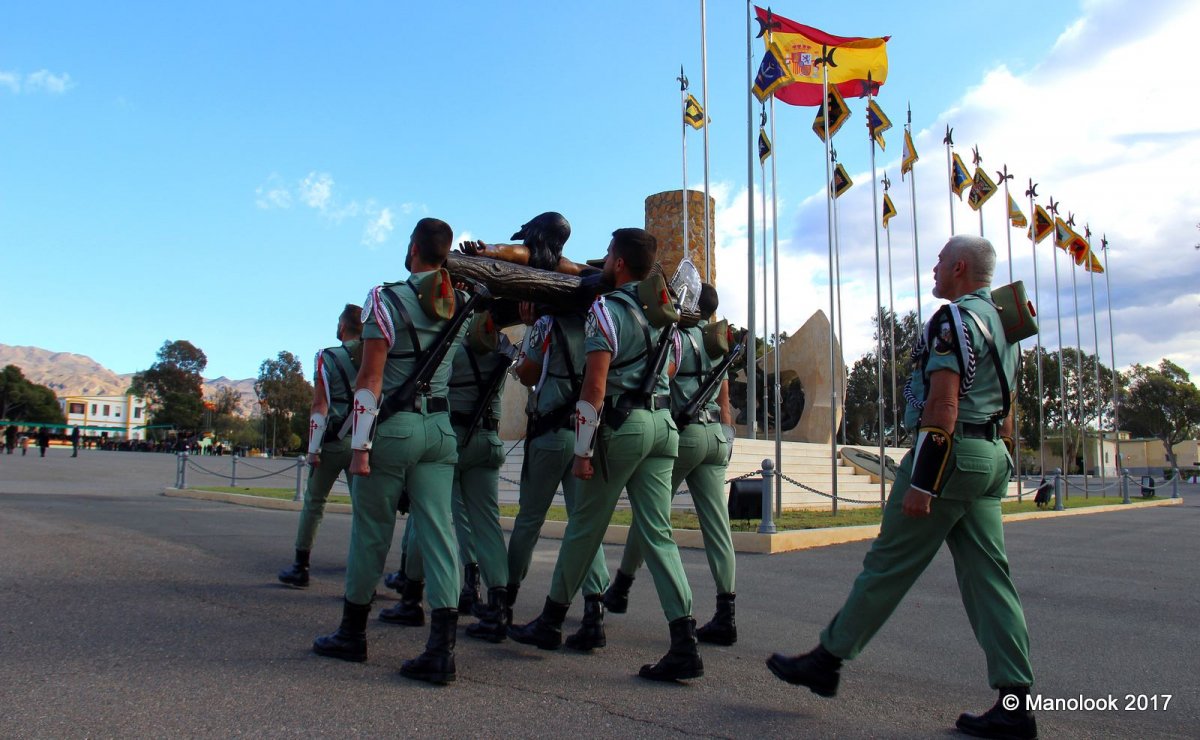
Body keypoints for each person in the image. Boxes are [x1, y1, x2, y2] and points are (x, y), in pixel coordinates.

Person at [767, 235, 1037, 739]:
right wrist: (995, 457)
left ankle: (827, 660)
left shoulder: (953, 321)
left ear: (960, 268)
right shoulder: (1005, 324)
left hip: (948, 459)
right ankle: (1015, 702)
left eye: (940, 261)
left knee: (888, 565)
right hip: (988, 459)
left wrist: (924, 483)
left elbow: (943, 403)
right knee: (990, 579)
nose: (934, 268)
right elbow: (1006, 404)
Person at [510, 227, 703, 682]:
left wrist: (583, 451)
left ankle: (551, 620)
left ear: (617, 262)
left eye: (610, 252)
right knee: (658, 532)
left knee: (584, 525)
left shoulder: (606, 310)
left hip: (622, 425)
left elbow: (594, 388)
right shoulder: (666, 315)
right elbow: (669, 367)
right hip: (662, 426)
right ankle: (684, 640)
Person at [312, 217, 468, 686]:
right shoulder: (460, 302)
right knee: (439, 532)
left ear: (414, 248)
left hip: (394, 430)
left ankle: (352, 634)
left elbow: (370, 379)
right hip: (439, 428)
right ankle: (441, 650)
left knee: (371, 531)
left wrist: (360, 447)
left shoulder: (384, 299)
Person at [603, 282, 738, 645]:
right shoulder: (716, 342)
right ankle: (726, 612)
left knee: (652, 515)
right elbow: (724, 399)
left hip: (685, 434)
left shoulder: (677, 336)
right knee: (718, 527)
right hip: (715, 436)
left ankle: (622, 586)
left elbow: (663, 377)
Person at [387, 312, 516, 640]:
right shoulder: (501, 349)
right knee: (487, 525)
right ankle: (499, 608)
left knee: (427, 516)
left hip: (453, 437)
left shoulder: (453, 350)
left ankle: (411, 597)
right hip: (487, 439)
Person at [503, 299, 612, 650]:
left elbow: (529, 373)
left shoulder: (547, 324)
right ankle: (594, 607)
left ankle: (504, 599)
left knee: (529, 519)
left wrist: (523, 347)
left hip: (549, 433)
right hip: (583, 433)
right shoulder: (601, 325)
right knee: (582, 523)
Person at [277, 303, 363, 588]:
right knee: (364, 508)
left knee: (314, 502)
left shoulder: (327, 357)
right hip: (361, 441)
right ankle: (363, 569)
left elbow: (319, 405)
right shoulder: (374, 355)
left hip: (331, 442)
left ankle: (301, 566)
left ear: (343, 327)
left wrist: (313, 449)